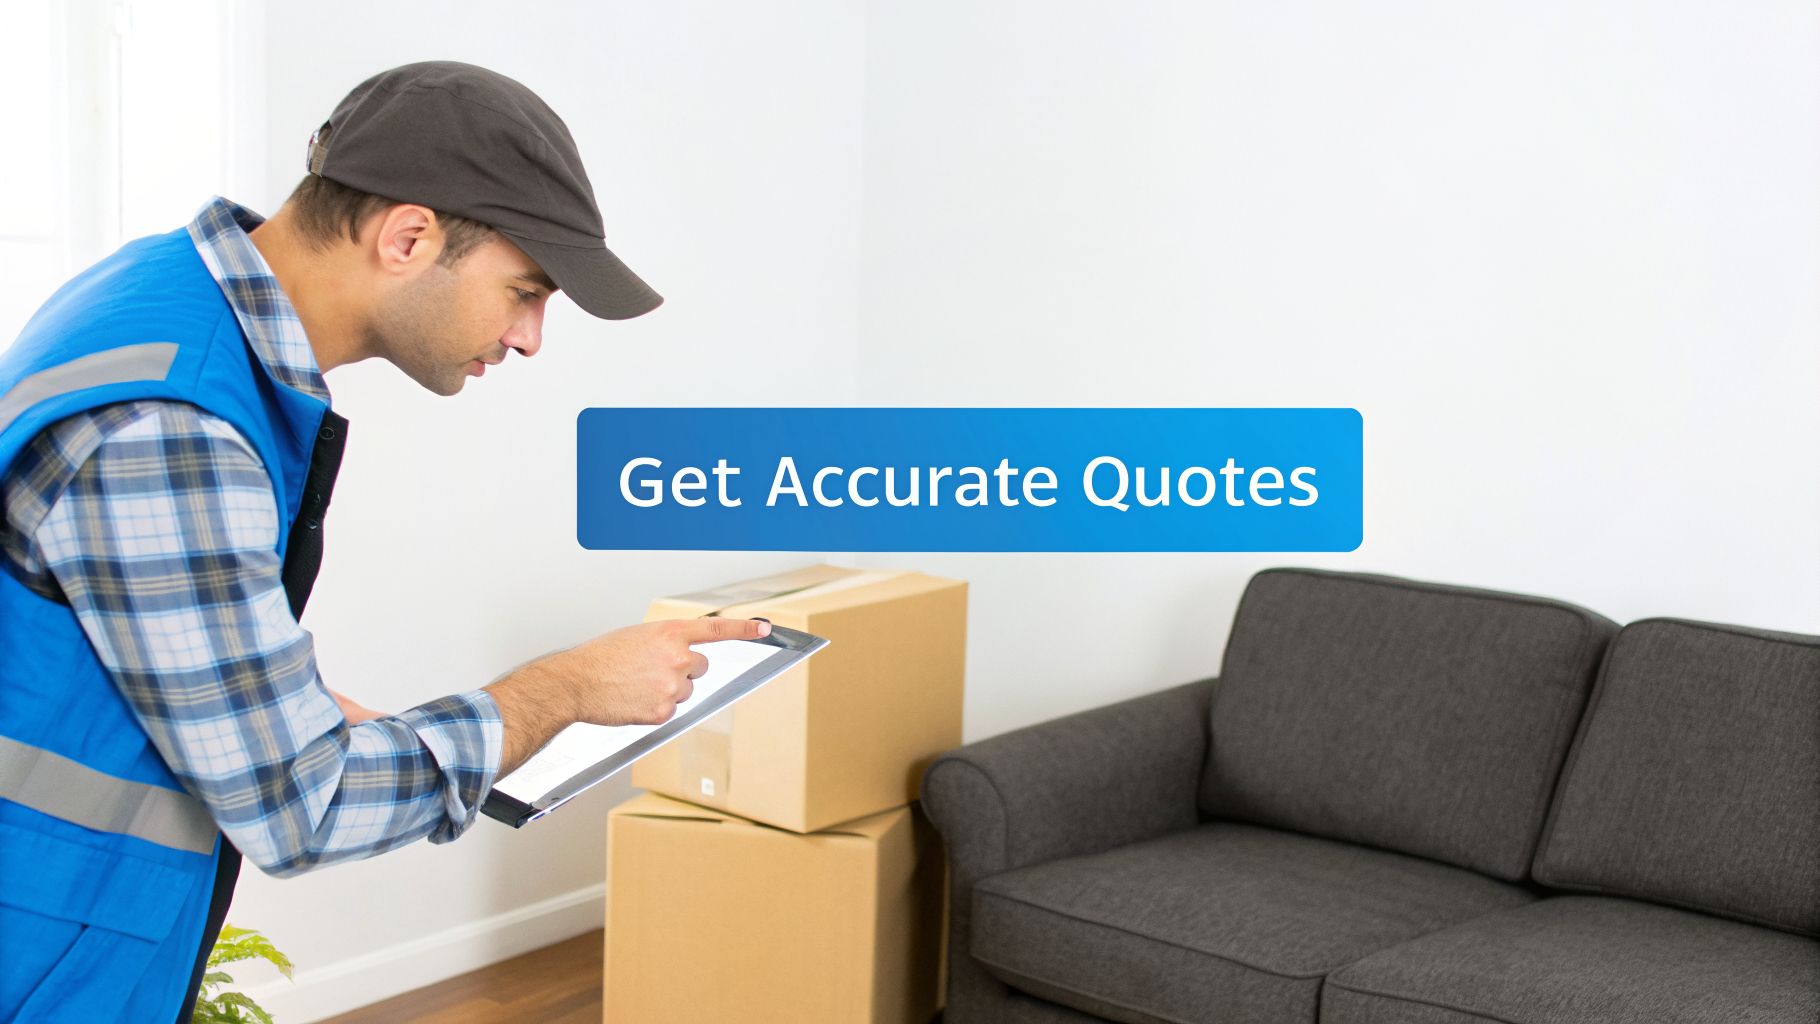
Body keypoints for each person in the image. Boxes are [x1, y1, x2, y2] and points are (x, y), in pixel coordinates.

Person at [0, 61, 768, 1023]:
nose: (531, 338)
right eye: (524, 291)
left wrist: (284, 704)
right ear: (408, 237)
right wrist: (564, 690)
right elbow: (302, 809)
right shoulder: (176, 426)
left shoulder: (155, 298)